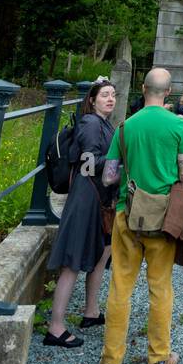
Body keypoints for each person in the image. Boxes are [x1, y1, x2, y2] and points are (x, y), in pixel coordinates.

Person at [99, 67, 183, 364]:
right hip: (163, 219)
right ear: (169, 92)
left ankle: (111, 362)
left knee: (120, 288)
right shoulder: (179, 127)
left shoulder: (125, 127)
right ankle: (158, 360)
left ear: (142, 89)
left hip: (129, 215)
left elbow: (109, 176)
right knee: (160, 288)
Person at [44, 78, 117, 349]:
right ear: (92, 100)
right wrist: (121, 163)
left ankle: (91, 311)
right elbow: (88, 164)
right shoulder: (90, 123)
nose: (110, 99)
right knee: (73, 260)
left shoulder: (104, 123)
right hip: (86, 200)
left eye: (113, 95)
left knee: (103, 252)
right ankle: (56, 327)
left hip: (99, 198)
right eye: (104, 95)